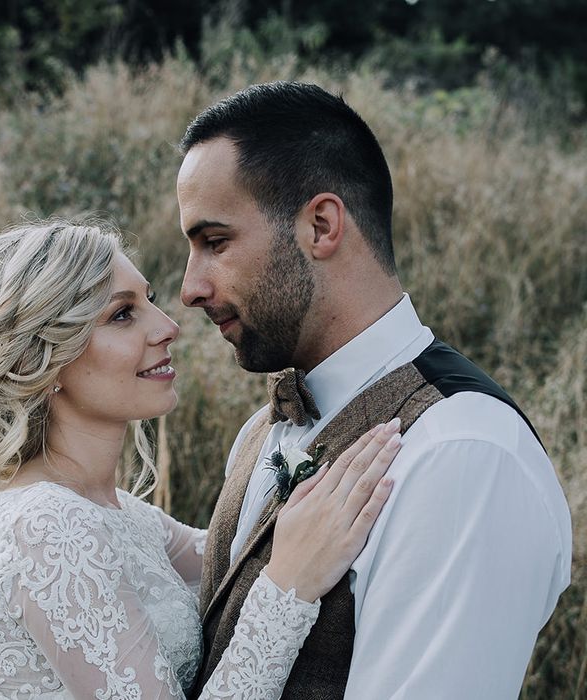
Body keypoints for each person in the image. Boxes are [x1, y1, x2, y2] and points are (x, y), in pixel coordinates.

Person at [176, 81, 573, 699]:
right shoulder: (261, 434)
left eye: (215, 243)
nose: (190, 288)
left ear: (322, 224)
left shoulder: (461, 455)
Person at [0, 218, 404, 699]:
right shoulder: (44, 525)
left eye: (151, 302)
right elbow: (279, 566)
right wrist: (288, 586)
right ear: (42, 360)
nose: (167, 327)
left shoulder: (118, 512)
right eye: (122, 314)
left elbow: (236, 557)